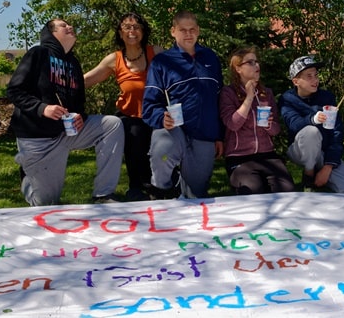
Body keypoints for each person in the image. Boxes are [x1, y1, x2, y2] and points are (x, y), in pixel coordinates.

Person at [7, 18, 124, 205]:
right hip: (38, 139)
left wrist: (80, 117)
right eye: (63, 25)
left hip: (67, 132)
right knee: (45, 204)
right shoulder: (38, 54)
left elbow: (79, 104)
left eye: (70, 24)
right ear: (51, 33)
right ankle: (28, 174)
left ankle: (103, 195)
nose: (70, 26)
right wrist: (42, 108)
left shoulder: (74, 64)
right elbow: (14, 90)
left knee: (112, 124)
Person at [141, 11, 223, 199]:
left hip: (205, 131)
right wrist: (162, 117)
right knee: (162, 151)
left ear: (198, 31)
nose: (188, 34)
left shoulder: (210, 58)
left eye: (192, 29)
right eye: (182, 30)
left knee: (196, 196)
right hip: (173, 129)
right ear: (173, 31)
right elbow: (149, 103)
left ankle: (183, 188)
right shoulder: (162, 62)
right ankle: (162, 191)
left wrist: (219, 136)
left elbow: (220, 100)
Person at [84, 12, 165, 201]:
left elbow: (177, 72)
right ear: (120, 33)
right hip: (130, 115)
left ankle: (158, 186)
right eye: (127, 27)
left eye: (136, 27)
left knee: (159, 150)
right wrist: (58, 84)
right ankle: (136, 188)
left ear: (143, 31)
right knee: (134, 144)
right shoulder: (115, 59)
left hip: (157, 114)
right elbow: (88, 79)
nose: (132, 31)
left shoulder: (157, 53)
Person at [279, 55, 344, 194]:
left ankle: (320, 171)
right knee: (311, 131)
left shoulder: (327, 97)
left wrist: (328, 167)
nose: (315, 80)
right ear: (296, 81)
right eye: (309, 76)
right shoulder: (288, 99)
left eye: (316, 75)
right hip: (299, 150)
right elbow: (293, 124)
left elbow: (337, 133)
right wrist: (313, 119)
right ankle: (309, 174)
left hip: (324, 152)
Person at [219, 47, 296, 195]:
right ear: (238, 68)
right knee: (253, 191)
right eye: (251, 62)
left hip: (267, 154)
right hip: (239, 157)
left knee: (287, 191)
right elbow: (232, 124)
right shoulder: (228, 93)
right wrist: (248, 97)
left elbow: (276, 130)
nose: (257, 66)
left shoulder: (266, 93)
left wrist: (269, 125)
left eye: (257, 62)